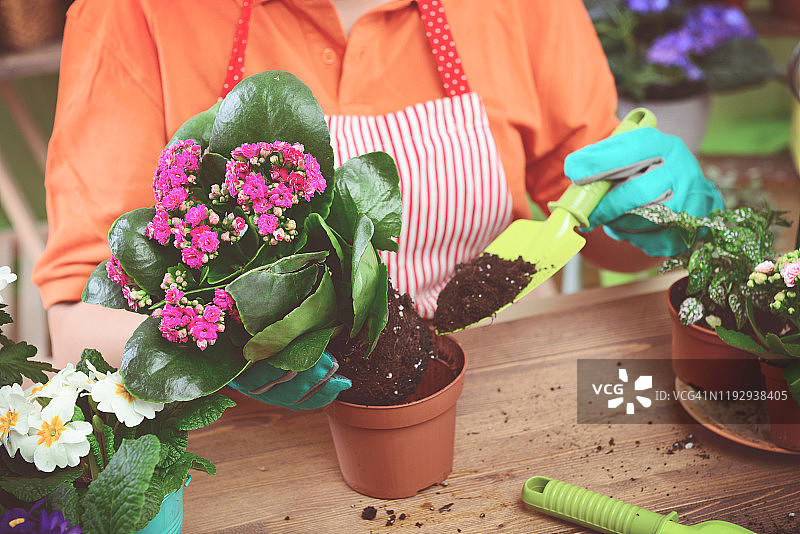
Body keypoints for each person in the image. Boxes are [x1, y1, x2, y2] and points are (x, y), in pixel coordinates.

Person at [32, 0, 722, 407]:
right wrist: (228, 362)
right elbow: (76, 327)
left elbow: (591, 218)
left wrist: (657, 208)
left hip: (474, 389)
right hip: (252, 443)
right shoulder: (138, 14)